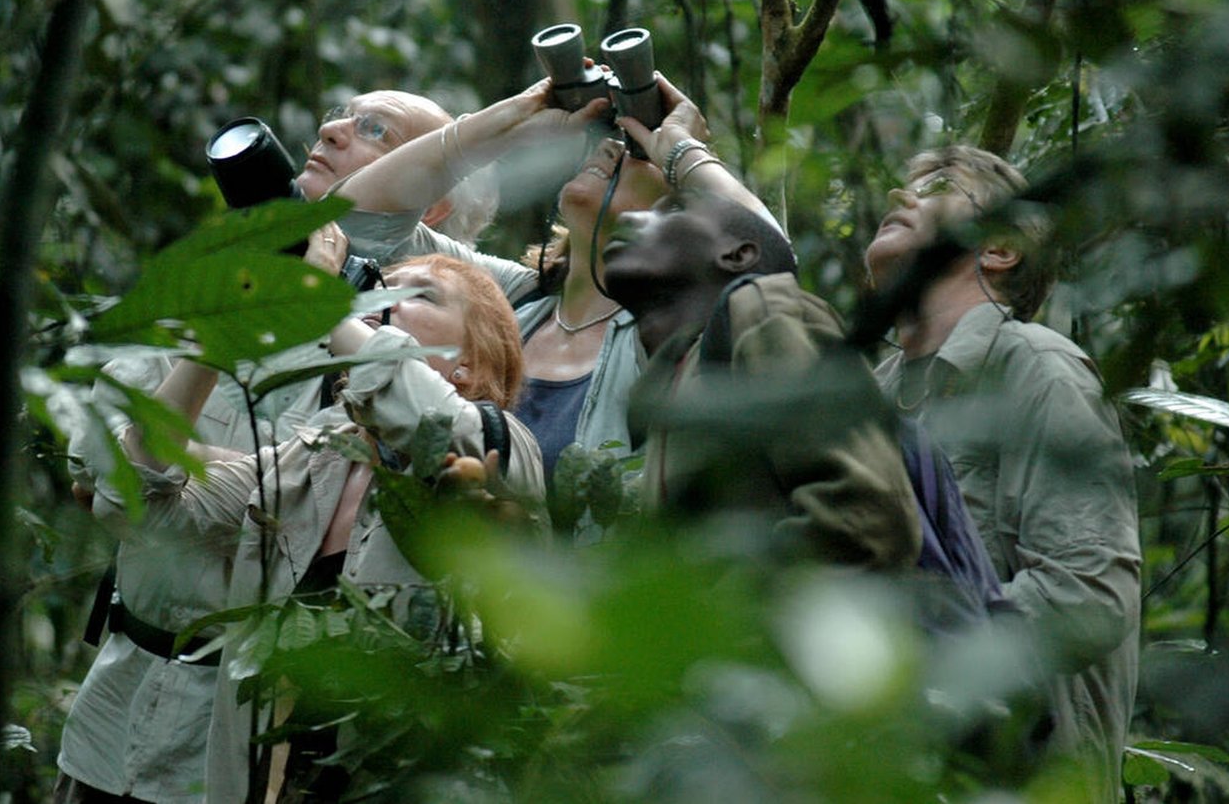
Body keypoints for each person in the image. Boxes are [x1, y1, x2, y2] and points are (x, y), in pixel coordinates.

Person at [56, 89, 494, 804]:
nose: (331, 130)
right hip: (114, 698)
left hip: (243, 735)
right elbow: (100, 475)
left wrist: (191, 460)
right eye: (340, 114)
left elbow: (302, 506)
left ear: (429, 200)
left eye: (373, 129)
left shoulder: (408, 337)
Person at [110, 253, 542, 804]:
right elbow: (144, 498)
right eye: (383, 286)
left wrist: (317, 297)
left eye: (422, 295)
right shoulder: (309, 461)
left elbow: (435, 421)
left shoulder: (504, 450)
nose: (381, 301)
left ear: (471, 365)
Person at [334, 74, 760, 533]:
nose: (611, 149)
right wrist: (514, 120)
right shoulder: (515, 298)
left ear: (675, 212)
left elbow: (766, 264)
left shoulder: (667, 334)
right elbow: (353, 221)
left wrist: (681, 151)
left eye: (638, 155)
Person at [864, 145, 1141, 800]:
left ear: (999, 248)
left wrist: (916, 658)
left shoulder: (1037, 368)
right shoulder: (872, 392)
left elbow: (1090, 594)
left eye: (932, 185)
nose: (900, 199)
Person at [598, 111, 922, 569]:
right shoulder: (672, 377)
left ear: (737, 253)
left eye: (671, 210)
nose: (630, 218)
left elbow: (866, 521)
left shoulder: (764, 311)